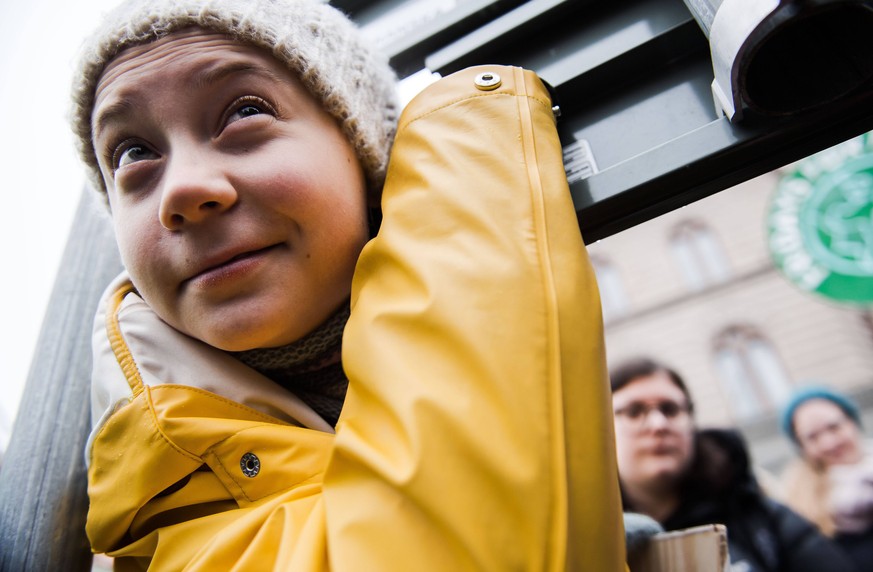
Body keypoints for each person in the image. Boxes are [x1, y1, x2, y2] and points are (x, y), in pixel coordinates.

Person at [69, 0, 626, 569]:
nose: (182, 190)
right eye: (132, 153)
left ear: (367, 159)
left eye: (242, 113)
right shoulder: (156, 498)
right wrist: (471, 150)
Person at [610, 357, 856, 572]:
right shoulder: (580, 539)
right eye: (634, 411)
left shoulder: (759, 516)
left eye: (671, 409)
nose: (658, 424)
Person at [780, 386, 873, 572]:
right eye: (812, 437)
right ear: (802, 448)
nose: (829, 443)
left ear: (852, 423)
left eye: (834, 427)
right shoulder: (799, 514)